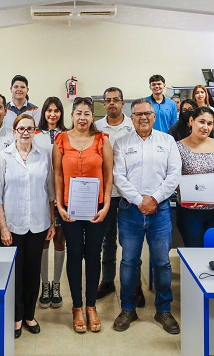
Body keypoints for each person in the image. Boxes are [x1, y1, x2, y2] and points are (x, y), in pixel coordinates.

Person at [112, 98, 182, 335]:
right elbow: (119, 177)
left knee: (162, 262)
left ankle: (163, 309)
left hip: (159, 210)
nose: (143, 117)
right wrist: (139, 200)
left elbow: (174, 174)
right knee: (129, 262)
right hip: (130, 210)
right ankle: (128, 308)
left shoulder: (167, 141)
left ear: (154, 116)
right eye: (138, 114)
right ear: (131, 118)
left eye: (147, 114)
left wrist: (154, 198)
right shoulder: (121, 143)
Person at [0, 114, 56, 339]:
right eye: (21, 129)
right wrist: (3, 228)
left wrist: (52, 222)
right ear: (14, 131)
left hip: (38, 223)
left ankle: (30, 314)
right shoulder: (4, 157)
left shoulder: (43, 156)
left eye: (30, 129)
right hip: (13, 225)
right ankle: (16, 316)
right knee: (15, 273)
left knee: (33, 271)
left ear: (35, 131)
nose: (26, 132)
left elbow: (50, 192)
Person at [53, 96, 112, 333]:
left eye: (87, 113)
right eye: (79, 113)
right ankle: (77, 307)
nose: (83, 117)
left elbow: (108, 175)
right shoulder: (61, 139)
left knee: (94, 254)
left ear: (92, 116)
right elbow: (57, 175)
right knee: (75, 253)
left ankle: (91, 306)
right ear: (72, 115)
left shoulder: (102, 140)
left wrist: (106, 206)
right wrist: (59, 205)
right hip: (70, 209)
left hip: (97, 207)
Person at [94, 88, 135, 301]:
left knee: (131, 241)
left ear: (122, 103)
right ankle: (108, 281)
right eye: (108, 100)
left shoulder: (133, 125)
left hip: (130, 193)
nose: (112, 103)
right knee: (107, 240)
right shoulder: (96, 127)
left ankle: (133, 284)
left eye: (116, 100)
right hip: (107, 193)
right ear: (104, 104)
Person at [176, 106, 214, 247]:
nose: (205, 127)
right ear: (191, 121)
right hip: (190, 211)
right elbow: (172, 177)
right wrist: (186, 191)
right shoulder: (177, 147)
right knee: (194, 249)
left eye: (209, 123)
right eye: (201, 122)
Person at [33, 96, 67, 309]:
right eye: (49, 110)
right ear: (43, 112)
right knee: (44, 241)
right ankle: (44, 285)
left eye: (56, 110)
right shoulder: (35, 135)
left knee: (60, 241)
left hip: (62, 195)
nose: (52, 114)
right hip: (41, 195)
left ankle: (56, 285)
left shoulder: (67, 134)